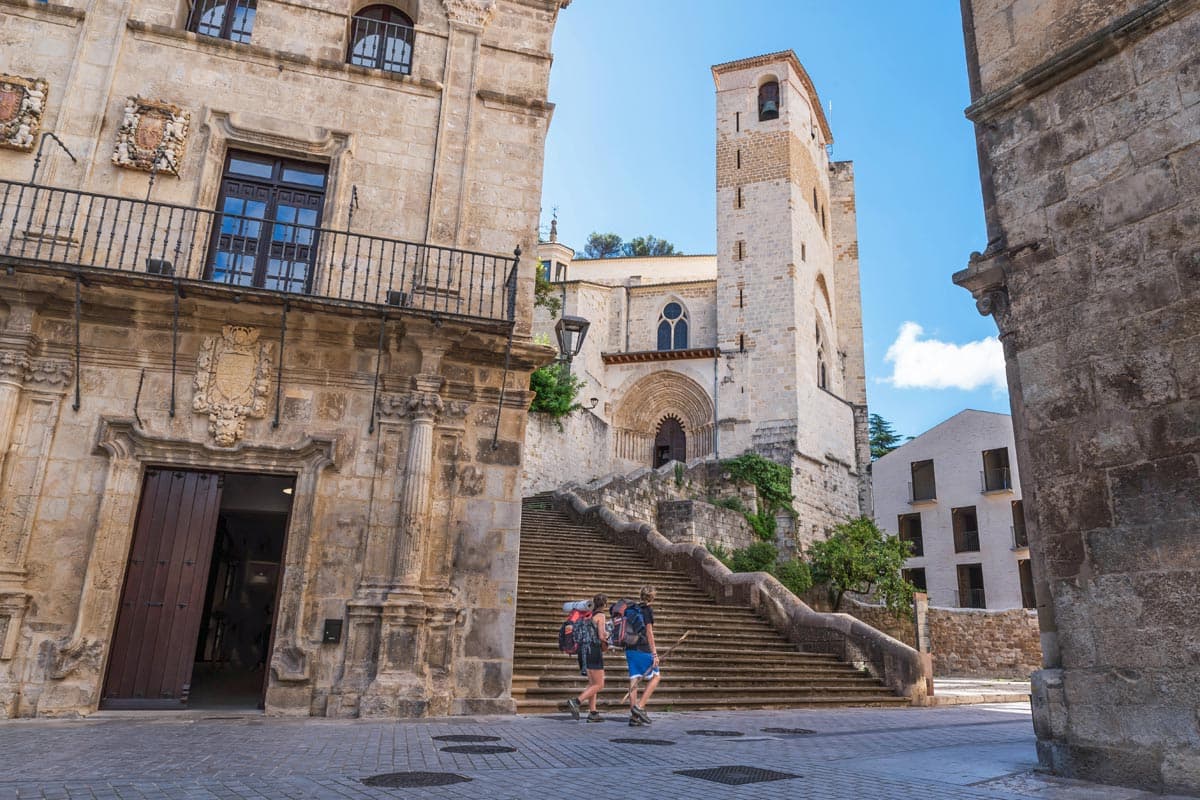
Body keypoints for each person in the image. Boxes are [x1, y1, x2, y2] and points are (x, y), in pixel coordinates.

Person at [566, 593, 608, 723]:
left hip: (583, 651)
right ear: (605, 604)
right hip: (593, 650)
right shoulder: (601, 615)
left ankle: (593, 712)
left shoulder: (588, 615)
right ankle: (576, 701)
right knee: (599, 684)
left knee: (592, 684)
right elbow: (601, 636)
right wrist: (607, 637)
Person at [625, 586, 660, 726]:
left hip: (629, 648)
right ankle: (639, 707)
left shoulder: (631, 609)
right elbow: (649, 633)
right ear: (652, 597)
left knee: (634, 679)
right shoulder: (647, 610)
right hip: (643, 648)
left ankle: (634, 717)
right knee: (656, 676)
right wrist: (654, 653)